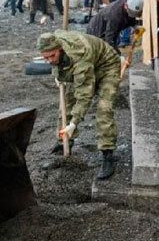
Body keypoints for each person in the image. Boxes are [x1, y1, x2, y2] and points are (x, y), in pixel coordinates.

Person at [37, 31, 122, 180]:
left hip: (107, 65)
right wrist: (58, 74)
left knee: (104, 109)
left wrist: (74, 122)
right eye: (46, 58)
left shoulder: (80, 58)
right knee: (65, 106)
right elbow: (59, 37)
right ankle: (63, 145)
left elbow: (84, 96)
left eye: (52, 56)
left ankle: (107, 154)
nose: (50, 60)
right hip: (83, 63)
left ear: (60, 49)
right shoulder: (57, 39)